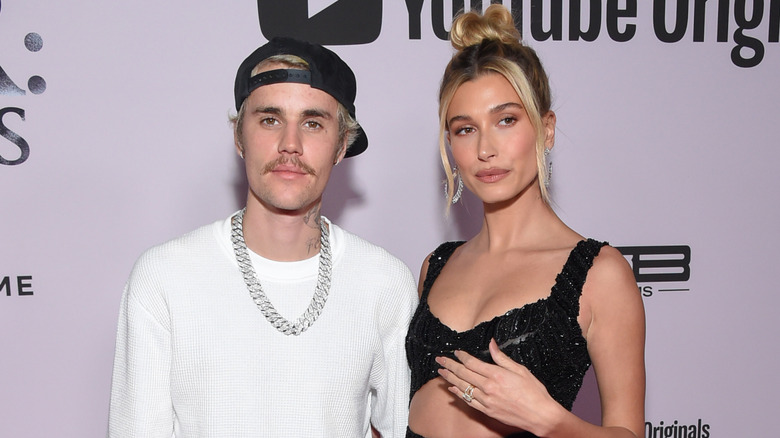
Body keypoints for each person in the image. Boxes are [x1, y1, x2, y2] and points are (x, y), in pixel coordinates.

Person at [107, 37, 418, 438]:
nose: (291, 144)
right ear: (239, 137)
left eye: (313, 122)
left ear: (341, 145)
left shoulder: (384, 282)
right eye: (270, 119)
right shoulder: (164, 277)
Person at [405, 5, 645, 438]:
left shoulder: (597, 274)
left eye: (506, 120)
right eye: (464, 129)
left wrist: (547, 418)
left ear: (546, 129)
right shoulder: (436, 266)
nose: (485, 149)